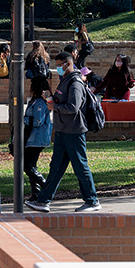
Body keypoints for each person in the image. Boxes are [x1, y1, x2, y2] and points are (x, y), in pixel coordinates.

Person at [25, 51, 100, 213]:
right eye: (57, 65)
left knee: (80, 166)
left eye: (60, 65)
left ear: (68, 63)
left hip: (74, 131)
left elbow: (74, 107)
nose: (58, 68)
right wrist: (51, 99)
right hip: (62, 130)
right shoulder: (64, 80)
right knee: (56, 167)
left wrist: (54, 107)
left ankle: (92, 200)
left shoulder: (75, 83)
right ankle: (43, 200)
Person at [22, 75, 53, 199]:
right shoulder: (34, 100)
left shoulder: (40, 102)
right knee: (32, 165)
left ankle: (43, 184)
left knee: (26, 165)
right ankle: (36, 192)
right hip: (33, 138)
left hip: (36, 139)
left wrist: (25, 120)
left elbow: (37, 121)